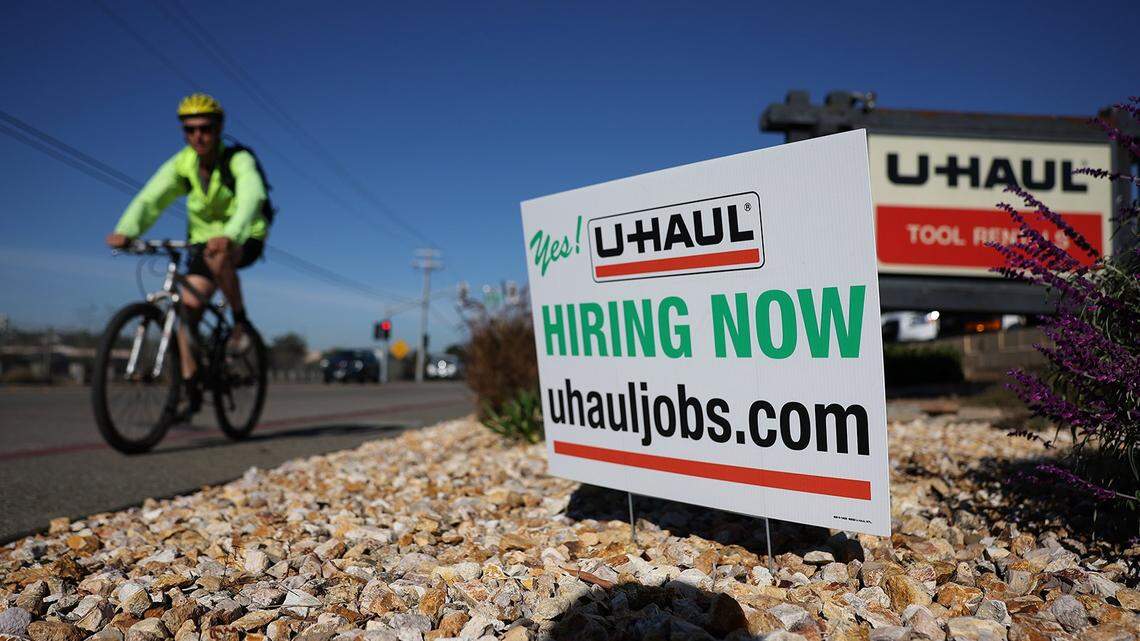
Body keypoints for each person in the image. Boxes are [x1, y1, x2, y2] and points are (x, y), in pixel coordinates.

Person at [106, 93, 268, 412]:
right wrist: (127, 230)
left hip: (245, 234)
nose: (198, 136)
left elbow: (252, 197)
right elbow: (152, 197)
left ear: (219, 129)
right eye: (189, 129)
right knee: (186, 307)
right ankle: (190, 382)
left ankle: (239, 323)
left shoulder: (237, 159)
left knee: (218, 256)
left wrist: (231, 234)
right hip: (201, 241)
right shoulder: (183, 164)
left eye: (205, 128)